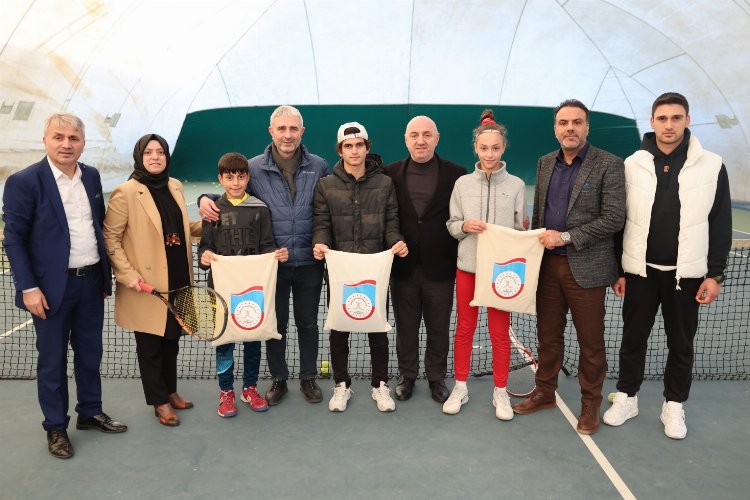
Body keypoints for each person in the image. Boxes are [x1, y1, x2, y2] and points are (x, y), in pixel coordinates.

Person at [603, 92, 732, 439]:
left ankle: (673, 405)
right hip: (639, 273)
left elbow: (720, 223)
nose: (669, 124)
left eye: (676, 118)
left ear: (687, 120)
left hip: (686, 277)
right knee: (632, 339)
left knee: (682, 344)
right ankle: (627, 397)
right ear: (652, 122)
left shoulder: (713, 165)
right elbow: (619, 220)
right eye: (662, 118)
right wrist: (618, 269)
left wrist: (715, 274)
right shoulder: (632, 163)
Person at [2, 112, 127, 459]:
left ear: (83, 143)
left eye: (73, 138)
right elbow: (14, 239)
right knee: (52, 361)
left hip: (90, 285)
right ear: (45, 140)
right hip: (49, 291)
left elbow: (95, 228)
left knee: (90, 355)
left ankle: (90, 411)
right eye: (58, 137)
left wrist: (103, 276)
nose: (66, 144)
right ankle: (55, 426)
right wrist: (28, 287)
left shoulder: (91, 177)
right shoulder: (24, 182)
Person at [199, 105, 329, 406]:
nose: (287, 135)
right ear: (271, 132)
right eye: (281, 129)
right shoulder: (253, 167)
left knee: (308, 323)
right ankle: (279, 378)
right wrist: (204, 198)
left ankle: (308, 377)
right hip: (269, 267)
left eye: (293, 129)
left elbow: (328, 207)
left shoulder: (320, 166)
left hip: (309, 262)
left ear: (302, 132)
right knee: (275, 323)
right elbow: (232, 197)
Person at [511, 99, 625, 435]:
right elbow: (542, 214)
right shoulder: (546, 163)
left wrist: (567, 236)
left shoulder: (609, 164)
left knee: (591, 343)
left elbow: (614, 218)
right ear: (556, 128)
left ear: (586, 127)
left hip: (587, 269)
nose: (570, 128)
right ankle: (545, 391)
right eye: (563, 123)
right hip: (547, 269)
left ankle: (590, 403)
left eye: (577, 122)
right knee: (548, 338)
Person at [104, 133, 202, 427]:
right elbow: (111, 237)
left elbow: (183, 227)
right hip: (145, 284)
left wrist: (217, 222)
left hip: (177, 277)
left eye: (161, 152)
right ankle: (159, 402)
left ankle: (170, 391)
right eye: (149, 153)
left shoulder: (175, 186)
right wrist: (128, 275)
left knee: (171, 340)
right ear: (140, 157)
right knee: (150, 347)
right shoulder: (126, 192)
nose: (156, 157)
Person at [312, 122, 408, 412]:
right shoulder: (326, 185)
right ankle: (342, 385)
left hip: (375, 271)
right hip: (340, 272)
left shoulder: (385, 183)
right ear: (340, 150)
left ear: (367, 147)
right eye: (348, 146)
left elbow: (392, 224)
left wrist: (397, 241)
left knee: (377, 329)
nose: (354, 151)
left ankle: (380, 385)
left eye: (359, 145)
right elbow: (322, 225)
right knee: (339, 329)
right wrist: (319, 243)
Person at [443, 110, 527, 420]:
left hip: (502, 274)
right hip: (467, 268)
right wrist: (466, 226)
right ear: (475, 149)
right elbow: (451, 225)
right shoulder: (462, 184)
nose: (489, 154)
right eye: (484, 148)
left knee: (499, 332)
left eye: (495, 148)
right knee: (464, 328)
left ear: (503, 148)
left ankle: (500, 392)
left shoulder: (517, 185)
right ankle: (461, 386)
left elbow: (520, 231)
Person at [198, 152, 289, 417]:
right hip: (221, 290)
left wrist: (278, 255)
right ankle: (226, 391)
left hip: (252, 291)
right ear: (220, 179)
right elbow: (206, 248)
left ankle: (249, 387)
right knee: (225, 342)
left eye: (240, 176)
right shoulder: (213, 211)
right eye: (229, 177)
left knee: (252, 339)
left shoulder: (260, 209)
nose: (236, 182)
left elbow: (267, 247)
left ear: (248, 177)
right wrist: (204, 257)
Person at [384, 116, 466, 404]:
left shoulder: (457, 174)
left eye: (427, 135)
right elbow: (384, 217)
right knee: (405, 327)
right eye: (415, 135)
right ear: (406, 139)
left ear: (437, 138)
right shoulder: (389, 174)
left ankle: (436, 377)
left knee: (438, 327)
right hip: (402, 267)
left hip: (441, 267)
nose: (421, 140)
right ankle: (407, 376)